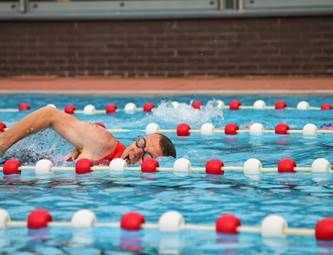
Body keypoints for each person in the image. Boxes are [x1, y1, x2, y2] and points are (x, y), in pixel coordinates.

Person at [0, 106, 176, 165]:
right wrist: (3, 142)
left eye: (147, 156)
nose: (138, 151)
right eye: (141, 143)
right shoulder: (103, 143)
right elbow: (49, 114)